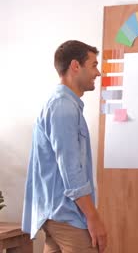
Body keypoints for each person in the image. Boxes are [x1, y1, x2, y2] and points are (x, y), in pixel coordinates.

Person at [22, 40, 107, 252]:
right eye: (94, 65)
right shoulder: (63, 106)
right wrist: (93, 217)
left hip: (57, 214)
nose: (98, 73)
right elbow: (71, 168)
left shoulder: (64, 104)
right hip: (66, 216)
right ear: (75, 66)